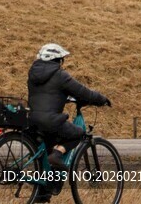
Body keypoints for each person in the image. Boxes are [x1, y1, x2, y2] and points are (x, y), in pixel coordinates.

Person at [27, 43, 111, 200]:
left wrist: (61, 98)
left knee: (46, 149)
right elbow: (83, 92)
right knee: (78, 134)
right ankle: (57, 155)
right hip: (51, 122)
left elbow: (45, 95)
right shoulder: (60, 75)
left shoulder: (33, 74)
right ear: (58, 60)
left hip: (32, 120)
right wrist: (101, 99)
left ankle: (43, 190)